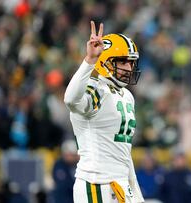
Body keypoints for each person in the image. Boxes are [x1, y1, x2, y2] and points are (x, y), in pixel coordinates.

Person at [64, 21, 144, 203]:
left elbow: (122, 152)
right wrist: (89, 61)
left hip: (121, 183)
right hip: (97, 182)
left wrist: (134, 191)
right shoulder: (96, 89)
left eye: (131, 62)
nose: (129, 67)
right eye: (122, 61)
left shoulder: (126, 95)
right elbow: (70, 99)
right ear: (104, 61)